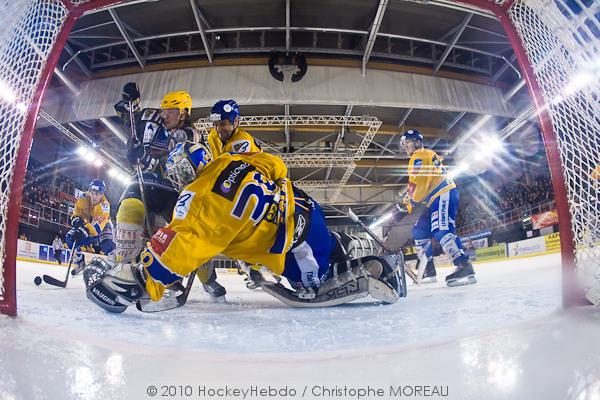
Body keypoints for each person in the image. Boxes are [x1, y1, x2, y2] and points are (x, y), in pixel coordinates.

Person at [85, 140, 403, 313]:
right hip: (306, 208)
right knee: (329, 244)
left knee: (309, 285)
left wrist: (134, 281)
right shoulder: (231, 161)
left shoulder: (195, 202)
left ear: (182, 174)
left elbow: (179, 248)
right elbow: (276, 165)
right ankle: (359, 252)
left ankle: (361, 271)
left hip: (293, 247)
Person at [113, 83, 226, 301]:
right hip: (141, 183)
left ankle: (208, 279)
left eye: (172, 111)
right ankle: (124, 271)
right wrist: (130, 102)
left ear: (184, 113)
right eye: (164, 110)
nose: (166, 115)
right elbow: (128, 117)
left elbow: (177, 168)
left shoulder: (191, 135)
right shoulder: (151, 118)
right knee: (127, 212)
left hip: (172, 192)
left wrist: (145, 158)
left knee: (188, 234)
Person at [399, 129, 476, 287]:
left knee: (441, 229)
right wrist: (409, 200)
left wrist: (409, 203)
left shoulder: (419, 156)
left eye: (408, 142)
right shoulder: (421, 155)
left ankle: (464, 265)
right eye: (404, 143)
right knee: (419, 231)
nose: (405, 146)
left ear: (417, 142)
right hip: (431, 199)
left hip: (442, 193)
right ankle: (428, 269)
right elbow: (418, 185)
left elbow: (419, 183)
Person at [65, 179, 116, 276]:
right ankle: (80, 263)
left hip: (103, 226)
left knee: (107, 244)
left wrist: (85, 230)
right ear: (89, 191)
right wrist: (76, 219)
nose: (94, 196)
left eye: (98, 194)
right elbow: (76, 214)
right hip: (86, 224)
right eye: (93, 193)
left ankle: (116, 266)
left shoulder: (104, 205)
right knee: (70, 237)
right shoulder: (82, 198)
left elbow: (97, 228)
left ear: (102, 194)